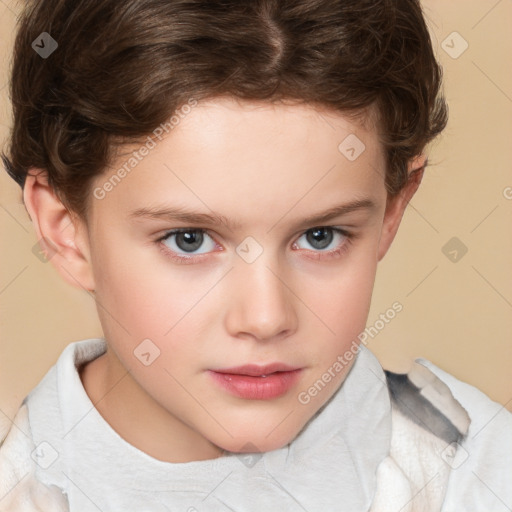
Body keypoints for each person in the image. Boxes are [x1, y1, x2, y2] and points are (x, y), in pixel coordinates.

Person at [0, 0, 510, 510]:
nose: (266, 319)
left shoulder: (484, 472)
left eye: (320, 236)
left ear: (392, 210)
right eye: (189, 240)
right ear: (65, 230)